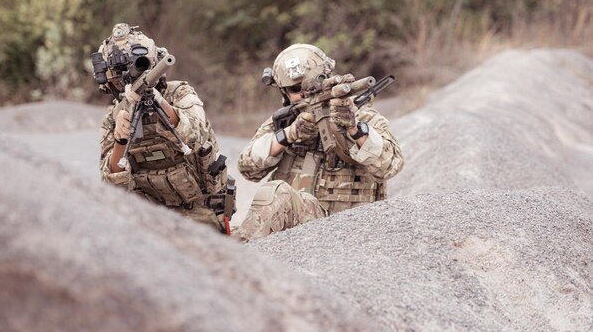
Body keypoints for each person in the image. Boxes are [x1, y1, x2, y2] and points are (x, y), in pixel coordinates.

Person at [234, 43, 404, 241]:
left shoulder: (361, 115)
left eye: (310, 85)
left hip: (348, 230)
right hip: (294, 228)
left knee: (276, 193)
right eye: (296, 89)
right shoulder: (287, 120)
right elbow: (248, 168)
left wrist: (353, 128)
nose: (304, 93)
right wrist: (289, 134)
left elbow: (390, 165)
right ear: (284, 92)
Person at [96, 23, 234, 233]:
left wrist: (158, 101)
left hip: (201, 214)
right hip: (153, 223)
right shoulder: (113, 117)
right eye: (117, 80)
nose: (125, 83)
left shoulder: (180, 94)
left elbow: (195, 135)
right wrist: (120, 141)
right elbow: (112, 185)